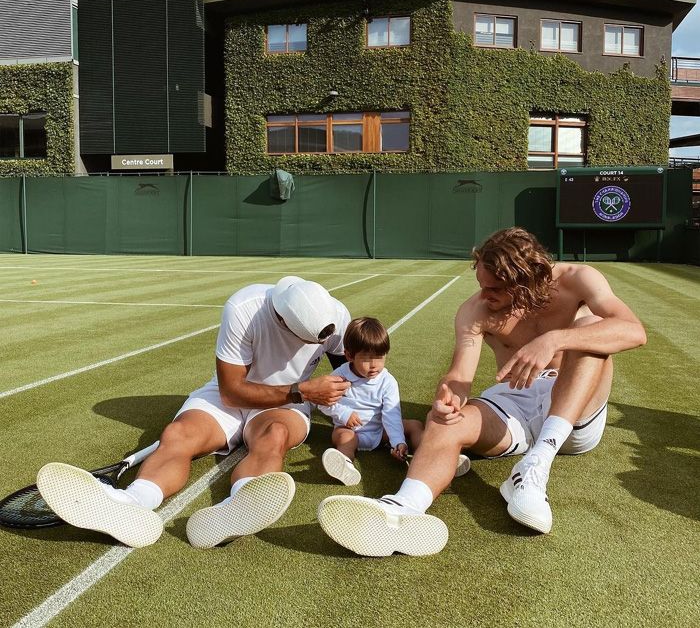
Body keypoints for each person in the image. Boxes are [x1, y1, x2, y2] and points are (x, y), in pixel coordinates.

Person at [317, 227, 647, 557]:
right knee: (444, 421)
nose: (484, 295)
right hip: (514, 399)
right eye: (481, 285)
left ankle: (535, 466)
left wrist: (554, 340)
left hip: (574, 409)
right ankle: (401, 510)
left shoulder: (579, 279)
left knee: (589, 328)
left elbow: (633, 331)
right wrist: (448, 399)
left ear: (527, 278)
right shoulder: (475, 311)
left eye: (495, 288)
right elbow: (460, 374)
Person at [37, 276, 351, 549]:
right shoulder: (245, 307)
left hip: (284, 405)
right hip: (235, 393)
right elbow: (231, 391)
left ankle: (242, 504)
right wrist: (304, 391)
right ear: (282, 321)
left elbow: (355, 377)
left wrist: (353, 423)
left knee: (275, 435)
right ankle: (133, 503)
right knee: (177, 434)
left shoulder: (335, 317)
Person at [318, 316, 471, 487]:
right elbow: (322, 402)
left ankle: (439, 457)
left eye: (380, 357)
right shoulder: (339, 376)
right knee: (344, 437)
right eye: (367, 358)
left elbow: (391, 414)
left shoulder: (387, 381)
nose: (374, 365)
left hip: (379, 430)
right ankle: (345, 464)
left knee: (413, 425)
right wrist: (344, 414)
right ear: (349, 355)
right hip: (350, 429)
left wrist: (398, 442)